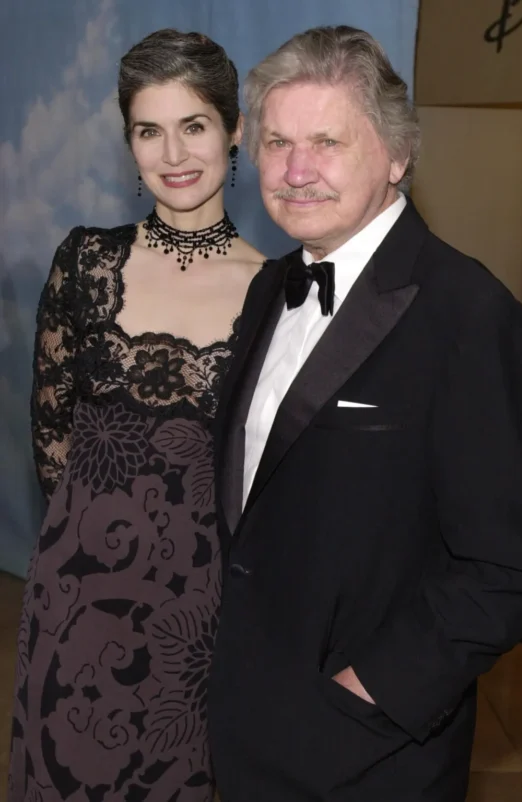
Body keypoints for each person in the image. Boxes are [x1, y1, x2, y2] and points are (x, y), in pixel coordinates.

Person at [208, 25, 522, 802]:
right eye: (277, 142)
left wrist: (365, 696)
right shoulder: (269, 287)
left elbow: (515, 566)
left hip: (365, 758)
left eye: (327, 142)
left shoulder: (470, 316)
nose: (295, 171)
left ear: (397, 156)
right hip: (245, 717)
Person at [8, 28, 263, 802]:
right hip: (75, 602)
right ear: (129, 144)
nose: (173, 154)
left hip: (201, 617)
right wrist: (83, 568)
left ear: (234, 131)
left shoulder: (276, 291)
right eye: (149, 131)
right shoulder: (86, 261)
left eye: (194, 125)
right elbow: (52, 441)